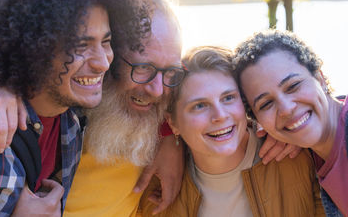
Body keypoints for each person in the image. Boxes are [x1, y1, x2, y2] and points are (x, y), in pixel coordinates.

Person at [0, 0, 300, 216]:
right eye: (143, 68)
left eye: (170, 72)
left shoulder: (169, 117)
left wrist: (286, 130)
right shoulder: (68, 107)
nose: (159, 89)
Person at [0, 0, 149, 216]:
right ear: (32, 45)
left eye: (106, 42)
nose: (102, 62)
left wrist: (172, 143)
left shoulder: (71, 117)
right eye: (80, 45)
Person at [139, 46, 325, 217]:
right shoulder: (158, 187)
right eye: (200, 105)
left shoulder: (297, 154)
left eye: (228, 98)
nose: (219, 116)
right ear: (172, 123)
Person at [233, 29, 347, 216]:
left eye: (293, 86)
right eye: (266, 104)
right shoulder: (310, 158)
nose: (286, 109)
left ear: (320, 78)